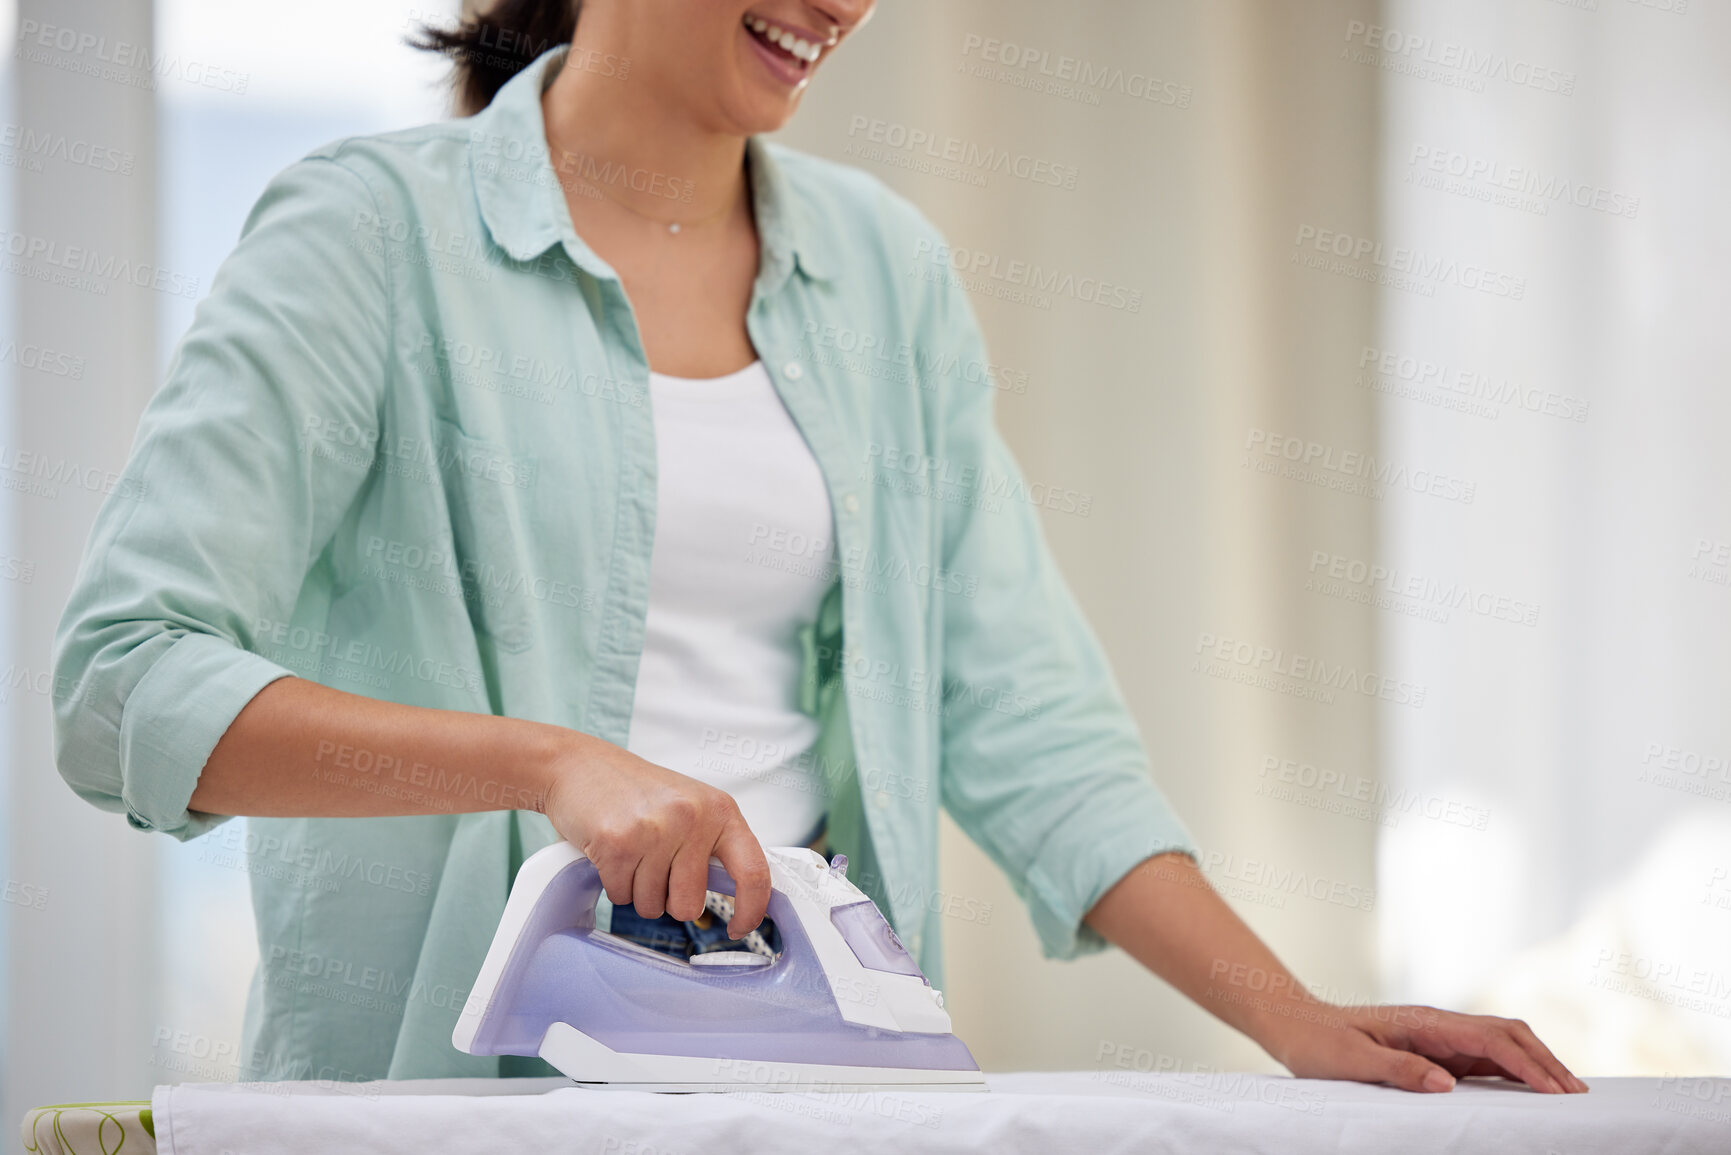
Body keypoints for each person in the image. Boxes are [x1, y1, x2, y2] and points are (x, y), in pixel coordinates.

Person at [52, 0, 1585, 1094]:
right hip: (452, 1103)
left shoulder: (883, 277)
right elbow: (122, 688)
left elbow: (1029, 722)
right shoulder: (367, 243)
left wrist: (1294, 1016)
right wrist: (552, 767)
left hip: (805, 1094)